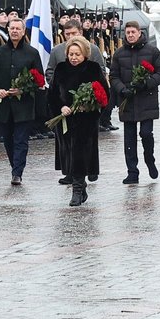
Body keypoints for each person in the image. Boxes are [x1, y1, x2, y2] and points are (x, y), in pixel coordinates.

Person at [49, 35, 108, 207]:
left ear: (85, 54)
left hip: (86, 121)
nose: (74, 58)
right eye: (71, 54)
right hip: (66, 120)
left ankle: (76, 191)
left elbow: (105, 94)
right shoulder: (61, 69)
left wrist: (89, 107)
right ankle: (81, 186)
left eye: (77, 54)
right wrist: (61, 107)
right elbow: (52, 95)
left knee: (80, 154)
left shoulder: (93, 69)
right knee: (69, 154)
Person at [0, 18, 46, 185]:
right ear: (8, 30)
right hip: (4, 105)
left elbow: (39, 79)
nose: (14, 31)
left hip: (24, 105)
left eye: (18, 29)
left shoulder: (32, 53)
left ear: (23, 31)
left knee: (21, 140)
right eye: (12, 28)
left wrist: (23, 90)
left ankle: (17, 172)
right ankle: (15, 166)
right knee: (8, 139)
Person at [109, 19, 160, 184]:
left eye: (133, 32)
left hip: (146, 99)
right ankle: (132, 171)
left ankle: (149, 159)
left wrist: (147, 83)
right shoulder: (119, 53)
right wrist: (122, 89)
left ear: (139, 33)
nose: (130, 35)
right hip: (127, 100)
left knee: (146, 133)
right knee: (129, 138)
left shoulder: (152, 51)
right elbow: (113, 76)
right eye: (127, 33)